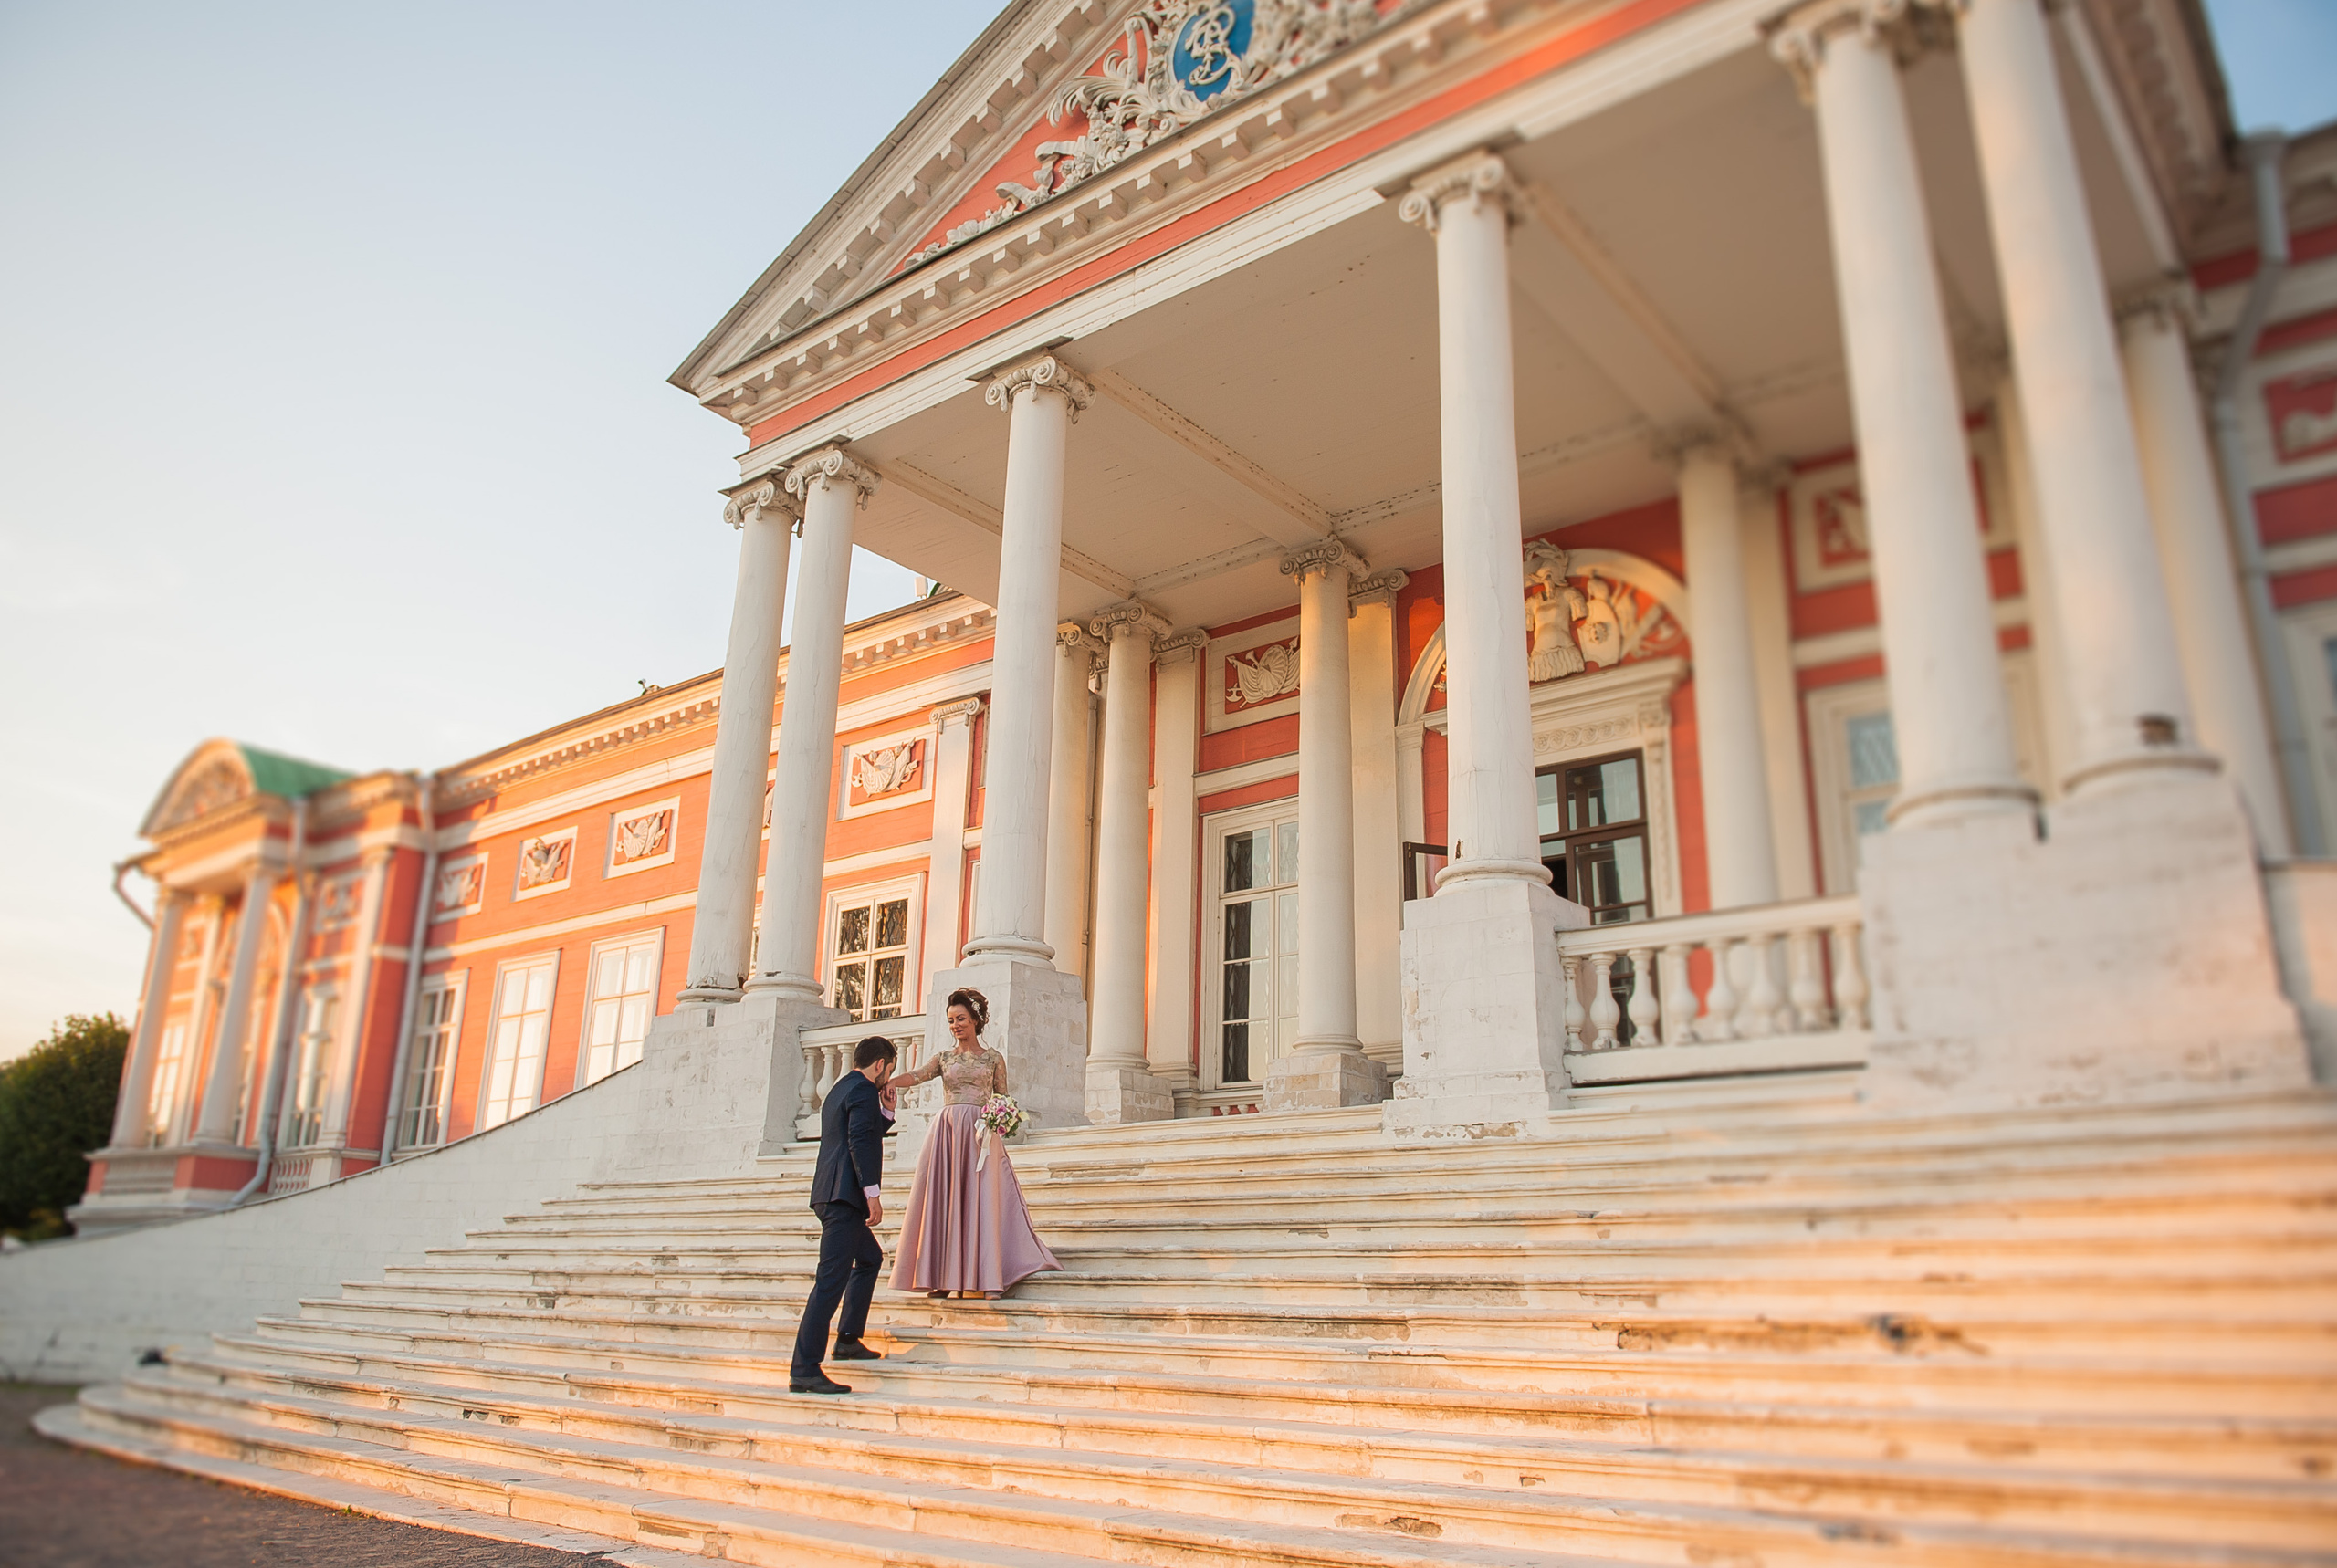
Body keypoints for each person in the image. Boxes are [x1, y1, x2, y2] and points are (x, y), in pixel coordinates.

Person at [888, 987, 1061, 1300]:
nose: (955, 1025)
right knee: (945, 1200)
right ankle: (940, 1277)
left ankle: (985, 1278)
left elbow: (1003, 1096)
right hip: (947, 1133)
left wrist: (1002, 1117)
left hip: (981, 1135)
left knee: (981, 1201)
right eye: (951, 1020)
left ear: (976, 1021)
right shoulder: (943, 1058)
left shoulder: (994, 1058)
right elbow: (917, 1075)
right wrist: (888, 1082)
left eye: (961, 1019)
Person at [790, 1035, 896, 1395]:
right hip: (844, 1198)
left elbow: (862, 1129)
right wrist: (873, 1195)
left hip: (829, 1193)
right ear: (880, 1064)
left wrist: (887, 1112)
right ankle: (804, 1368)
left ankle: (848, 1338)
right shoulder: (863, 1089)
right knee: (830, 1282)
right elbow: (860, 1141)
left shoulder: (839, 1088)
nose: (885, 1079)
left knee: (869, 1258)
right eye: (888, 1071)